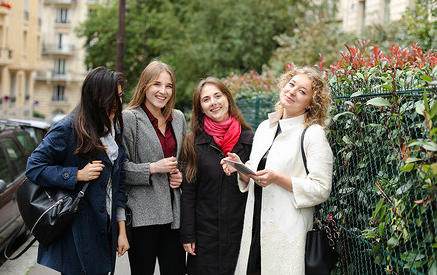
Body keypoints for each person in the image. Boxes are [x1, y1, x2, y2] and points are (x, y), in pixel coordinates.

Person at [222, 67, 334, 274]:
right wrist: (241, 168)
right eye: (291, 84)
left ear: (311, 102)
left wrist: (277, 178)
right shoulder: (266, 127)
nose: (292, 92)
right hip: (255, 226)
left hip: (286, 229)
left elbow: (321, 188)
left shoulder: (313, 134)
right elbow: (258, 173)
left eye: (302, 91)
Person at [25, 67, 129, 275]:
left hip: (106, 229)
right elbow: (33, 167)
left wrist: (121, 231)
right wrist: (77, 175)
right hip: (77, 231)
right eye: (111, 99)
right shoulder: (67, 129)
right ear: (95, 97)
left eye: (119, 98)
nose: (117, 105)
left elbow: (118, 185)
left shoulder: (112, 131)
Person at [180, 77, 254, 275]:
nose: (213, 102)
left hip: (239, 232)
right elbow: (188, 193)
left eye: (217, 96)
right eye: (206, 99)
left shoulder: (250, 140)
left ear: (228, 99)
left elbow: (258, 186)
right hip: (205, 237)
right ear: (200, 108)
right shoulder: (193, 143)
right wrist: (188, 234)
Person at [122, 60, 187, 275]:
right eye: (157, 84)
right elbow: (120, 170)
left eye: (168, 86)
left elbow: (185, 161)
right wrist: (151, 168)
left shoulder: (177, 118)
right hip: (143, 216)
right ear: (145, 86)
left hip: (174, 214)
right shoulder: (129, 118)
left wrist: (180, 176)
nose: (163, 91)